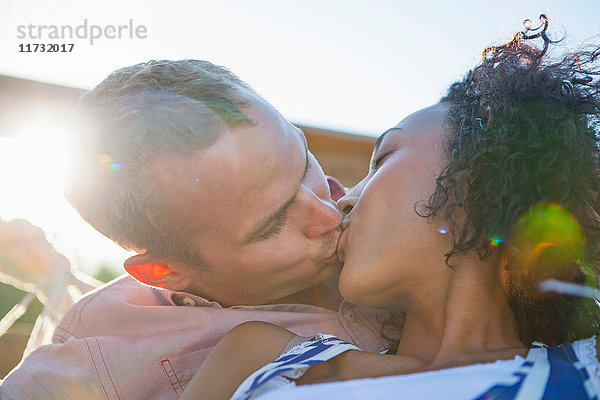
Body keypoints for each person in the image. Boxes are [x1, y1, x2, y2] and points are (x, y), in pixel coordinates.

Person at [180, 15, 600, 400]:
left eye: (380, 160)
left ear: (487, 170)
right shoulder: (258, 357)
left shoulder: (588, 368)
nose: (342, 199)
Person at [0, 62, 396, 399]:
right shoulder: (90, 368)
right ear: (164, 273)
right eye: (272, 224)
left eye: (305, 162)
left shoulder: (395, 212)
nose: (329, 211)